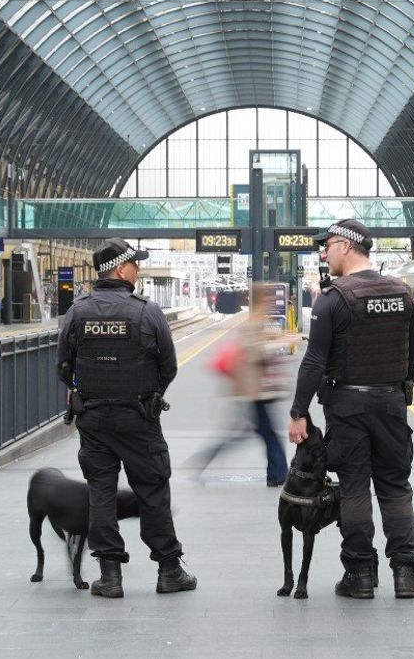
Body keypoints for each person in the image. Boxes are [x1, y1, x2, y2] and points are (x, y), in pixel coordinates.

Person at [286, 218, 414, 599]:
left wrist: (298, 411)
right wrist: (401, 396)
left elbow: (315, 360)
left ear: (347, 246)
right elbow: (412, 356)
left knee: (354, 488)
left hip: (348, 405)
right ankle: (406, 573)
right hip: (390, 403)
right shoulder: (402, 294)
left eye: (328, 245)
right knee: (395, 486)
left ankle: (360, 575)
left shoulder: (333, 298)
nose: (324, 252)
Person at [56, 237, 196, 598]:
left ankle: (110, 575)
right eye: (135, 264)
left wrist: (86, 392)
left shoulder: (77, 311)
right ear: (121, 269)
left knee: (101, 492)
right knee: (152, 492)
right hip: (138, 419)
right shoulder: (146, 311)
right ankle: (168, 571)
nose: (139, 269)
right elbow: (169, 366)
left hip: (94, 420)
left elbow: (63, 366)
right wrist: (148, 396)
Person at [192, 283, 291, 486]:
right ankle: (278, 475)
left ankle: (277, 474)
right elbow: (255, 352)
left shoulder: (258, 321)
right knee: (266, 434)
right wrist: (280, 343)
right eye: (268, 298)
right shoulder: (254, 322)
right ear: (261, 300)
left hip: (253, 391)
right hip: (254, 391)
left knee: (258, 433)